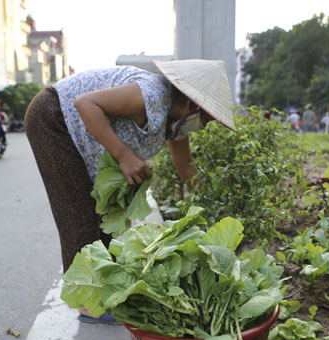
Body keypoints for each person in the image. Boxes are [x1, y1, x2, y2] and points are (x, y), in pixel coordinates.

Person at [24, 59, 236, 324]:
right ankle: (88, 301)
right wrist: (124, 156)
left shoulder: (176, 125)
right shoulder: (153, 93)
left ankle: (102, 286)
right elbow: (85, 104)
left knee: (104, 212)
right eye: (208, 120)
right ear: (193, 107)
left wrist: (217, 210)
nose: (205, 126)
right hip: (53, 118)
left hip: (74, 129)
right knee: (78, 210)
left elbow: (187, 170)